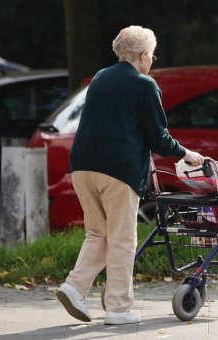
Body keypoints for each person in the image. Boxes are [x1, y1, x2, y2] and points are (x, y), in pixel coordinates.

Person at [56, 25, 205, 325]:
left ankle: (74, 287)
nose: (153, 59)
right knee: (123, 239)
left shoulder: (100, 77)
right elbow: (157, 137)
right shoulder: (144, 85)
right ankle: (119, 308)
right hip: (119, 171)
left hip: (83, 166)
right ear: (143, 55)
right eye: (152, 54)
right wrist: (185, 153)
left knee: (99, 234)